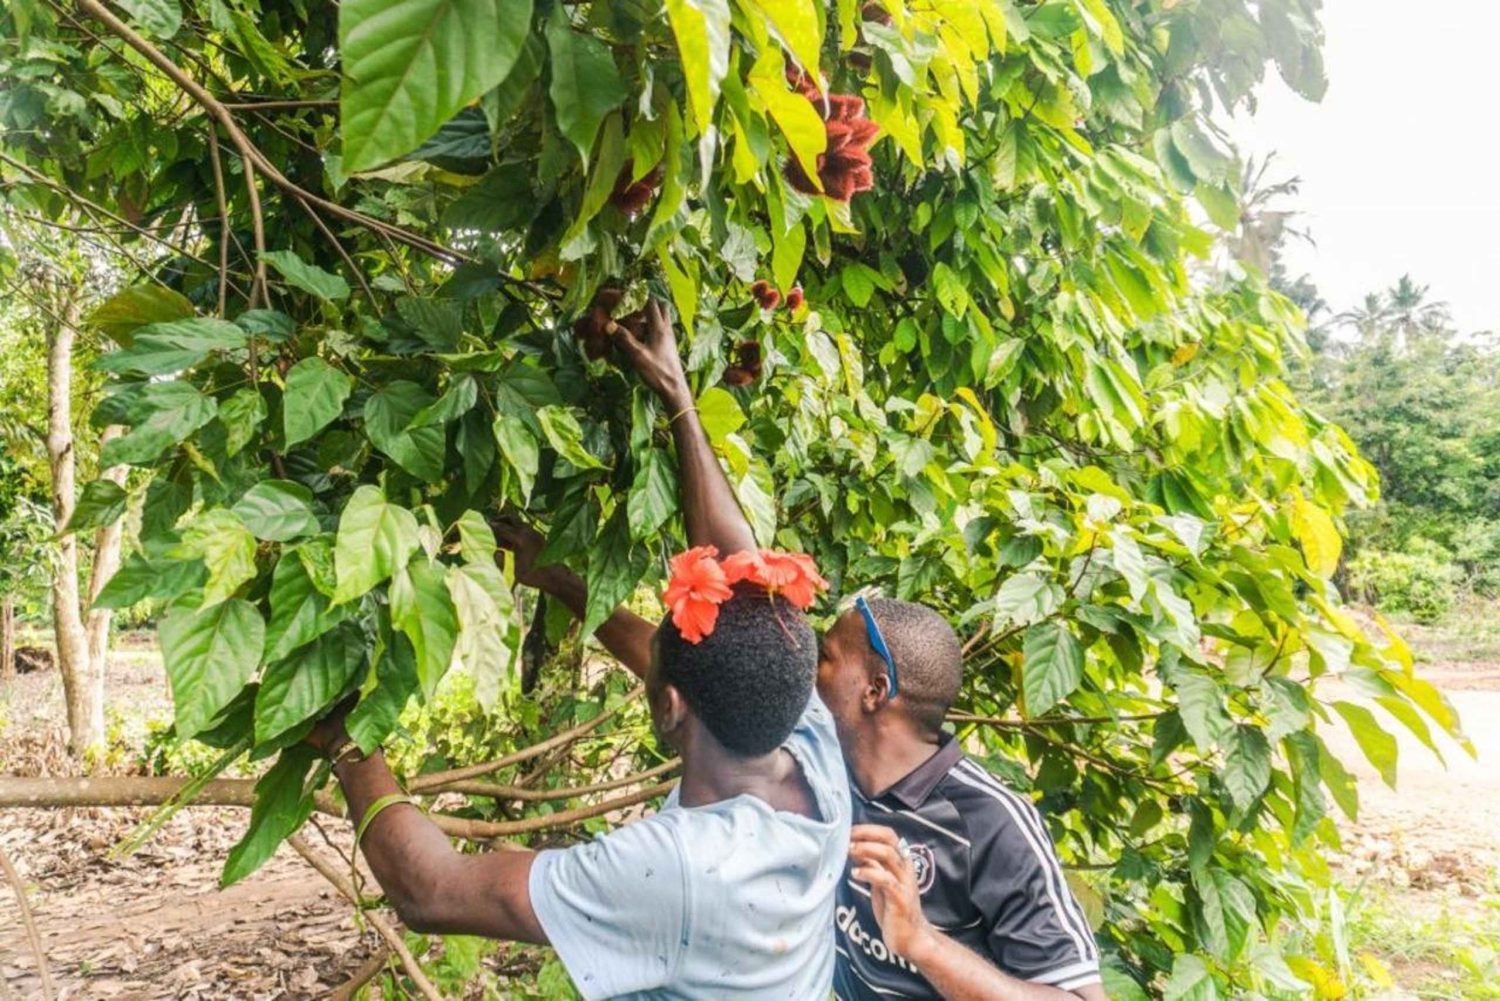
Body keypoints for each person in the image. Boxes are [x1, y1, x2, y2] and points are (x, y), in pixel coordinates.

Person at [507, 299, 1105, 1000]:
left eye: (823, 654)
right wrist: (676, 399)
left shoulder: (989, 824)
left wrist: (922, 943)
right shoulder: (819, 743)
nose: (795, 654)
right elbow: (723, 637)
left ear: (874, 692)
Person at [307, 297, 850, 998]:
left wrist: (350, 743)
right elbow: (739, 568)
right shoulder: (807, 741)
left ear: (667, 706)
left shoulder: (681, 868)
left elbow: (432, 890)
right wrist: (674, 397)